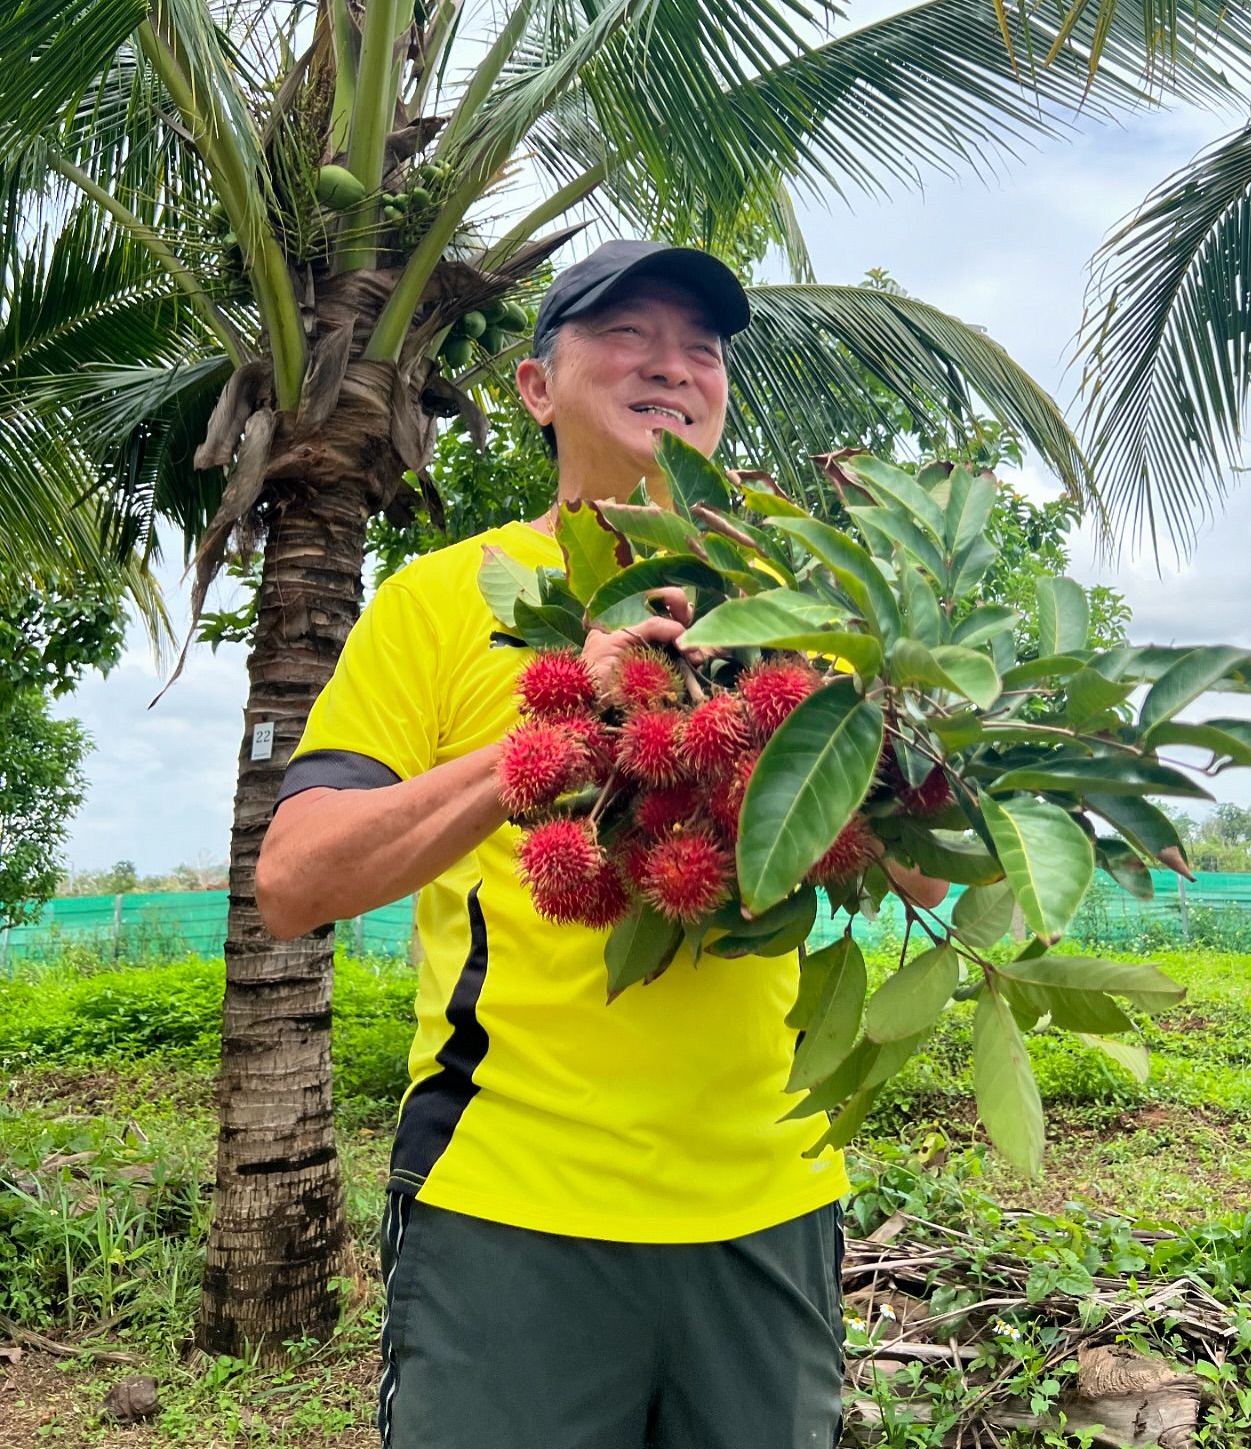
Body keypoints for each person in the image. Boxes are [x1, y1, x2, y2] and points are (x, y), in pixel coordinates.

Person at [256, 239, 947, 1449]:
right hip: (510, 1206)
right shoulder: (439, 599)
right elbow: (295, 882)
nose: (671, 366)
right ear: (537, 386)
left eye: (702, 347)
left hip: (769, 1206)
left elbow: (929, 875)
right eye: (627, 335)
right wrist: (552, 733)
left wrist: (906, 734)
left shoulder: (804, 612)